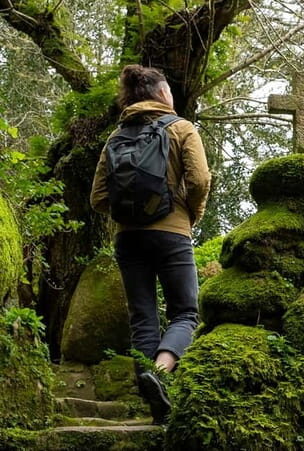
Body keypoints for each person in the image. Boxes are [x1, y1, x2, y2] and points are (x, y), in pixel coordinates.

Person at [90, 64, 211, 424]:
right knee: (186, 313)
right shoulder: (181, 128)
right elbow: (200, 179)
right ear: (161, 94)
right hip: (172, 232)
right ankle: (159, 372)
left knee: (142, 317)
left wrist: (128, 214)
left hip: (127, 239)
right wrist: (190, 212)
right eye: (169, 90)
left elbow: (98, 198)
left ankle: (150, 393)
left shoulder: (115, 138)